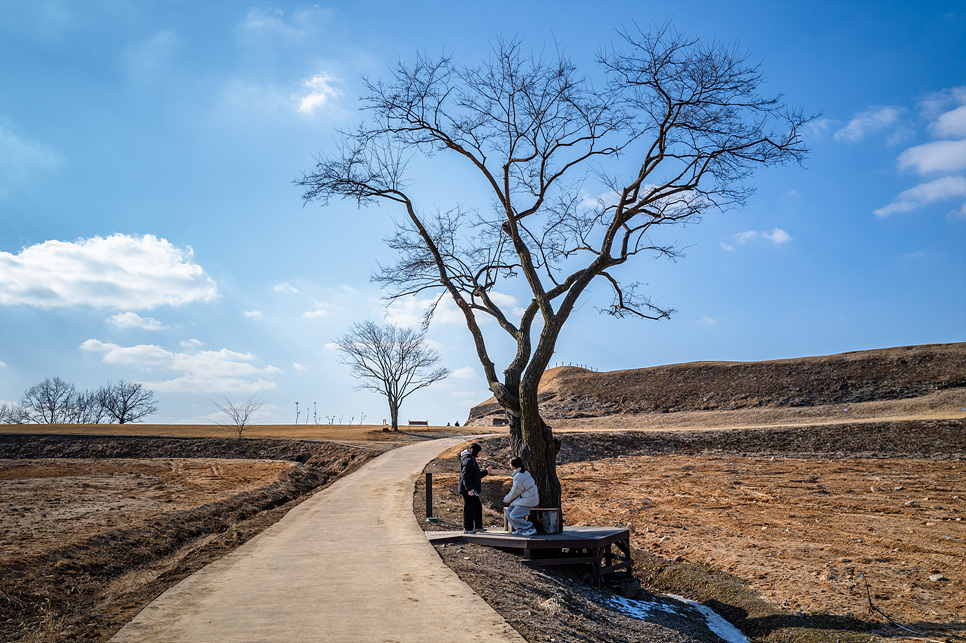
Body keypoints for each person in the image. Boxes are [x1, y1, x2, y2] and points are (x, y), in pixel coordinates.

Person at [457, 442, 491, 534]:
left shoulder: (471, 459)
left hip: (473, 490)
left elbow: (476, 475)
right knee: (469, 509)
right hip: (468, 490)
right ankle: (467, 528)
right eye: (479, 452)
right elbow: (465, 476)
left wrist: (486, 471)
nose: (480, 454)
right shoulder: (468, 460)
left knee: (477, 507)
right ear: (475, 451)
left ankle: (478, 526)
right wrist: (469, 489)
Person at [503, 456, 538, 536]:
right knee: (508, 511)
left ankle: (530, 528)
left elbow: (515, 492)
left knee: (514, 515)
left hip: (528, 499)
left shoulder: (519, 476)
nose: (509, 465)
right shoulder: (523, 473)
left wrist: (506, 499)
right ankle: (520, 529)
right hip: (524, 498)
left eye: (510, 463)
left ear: (513, 465)